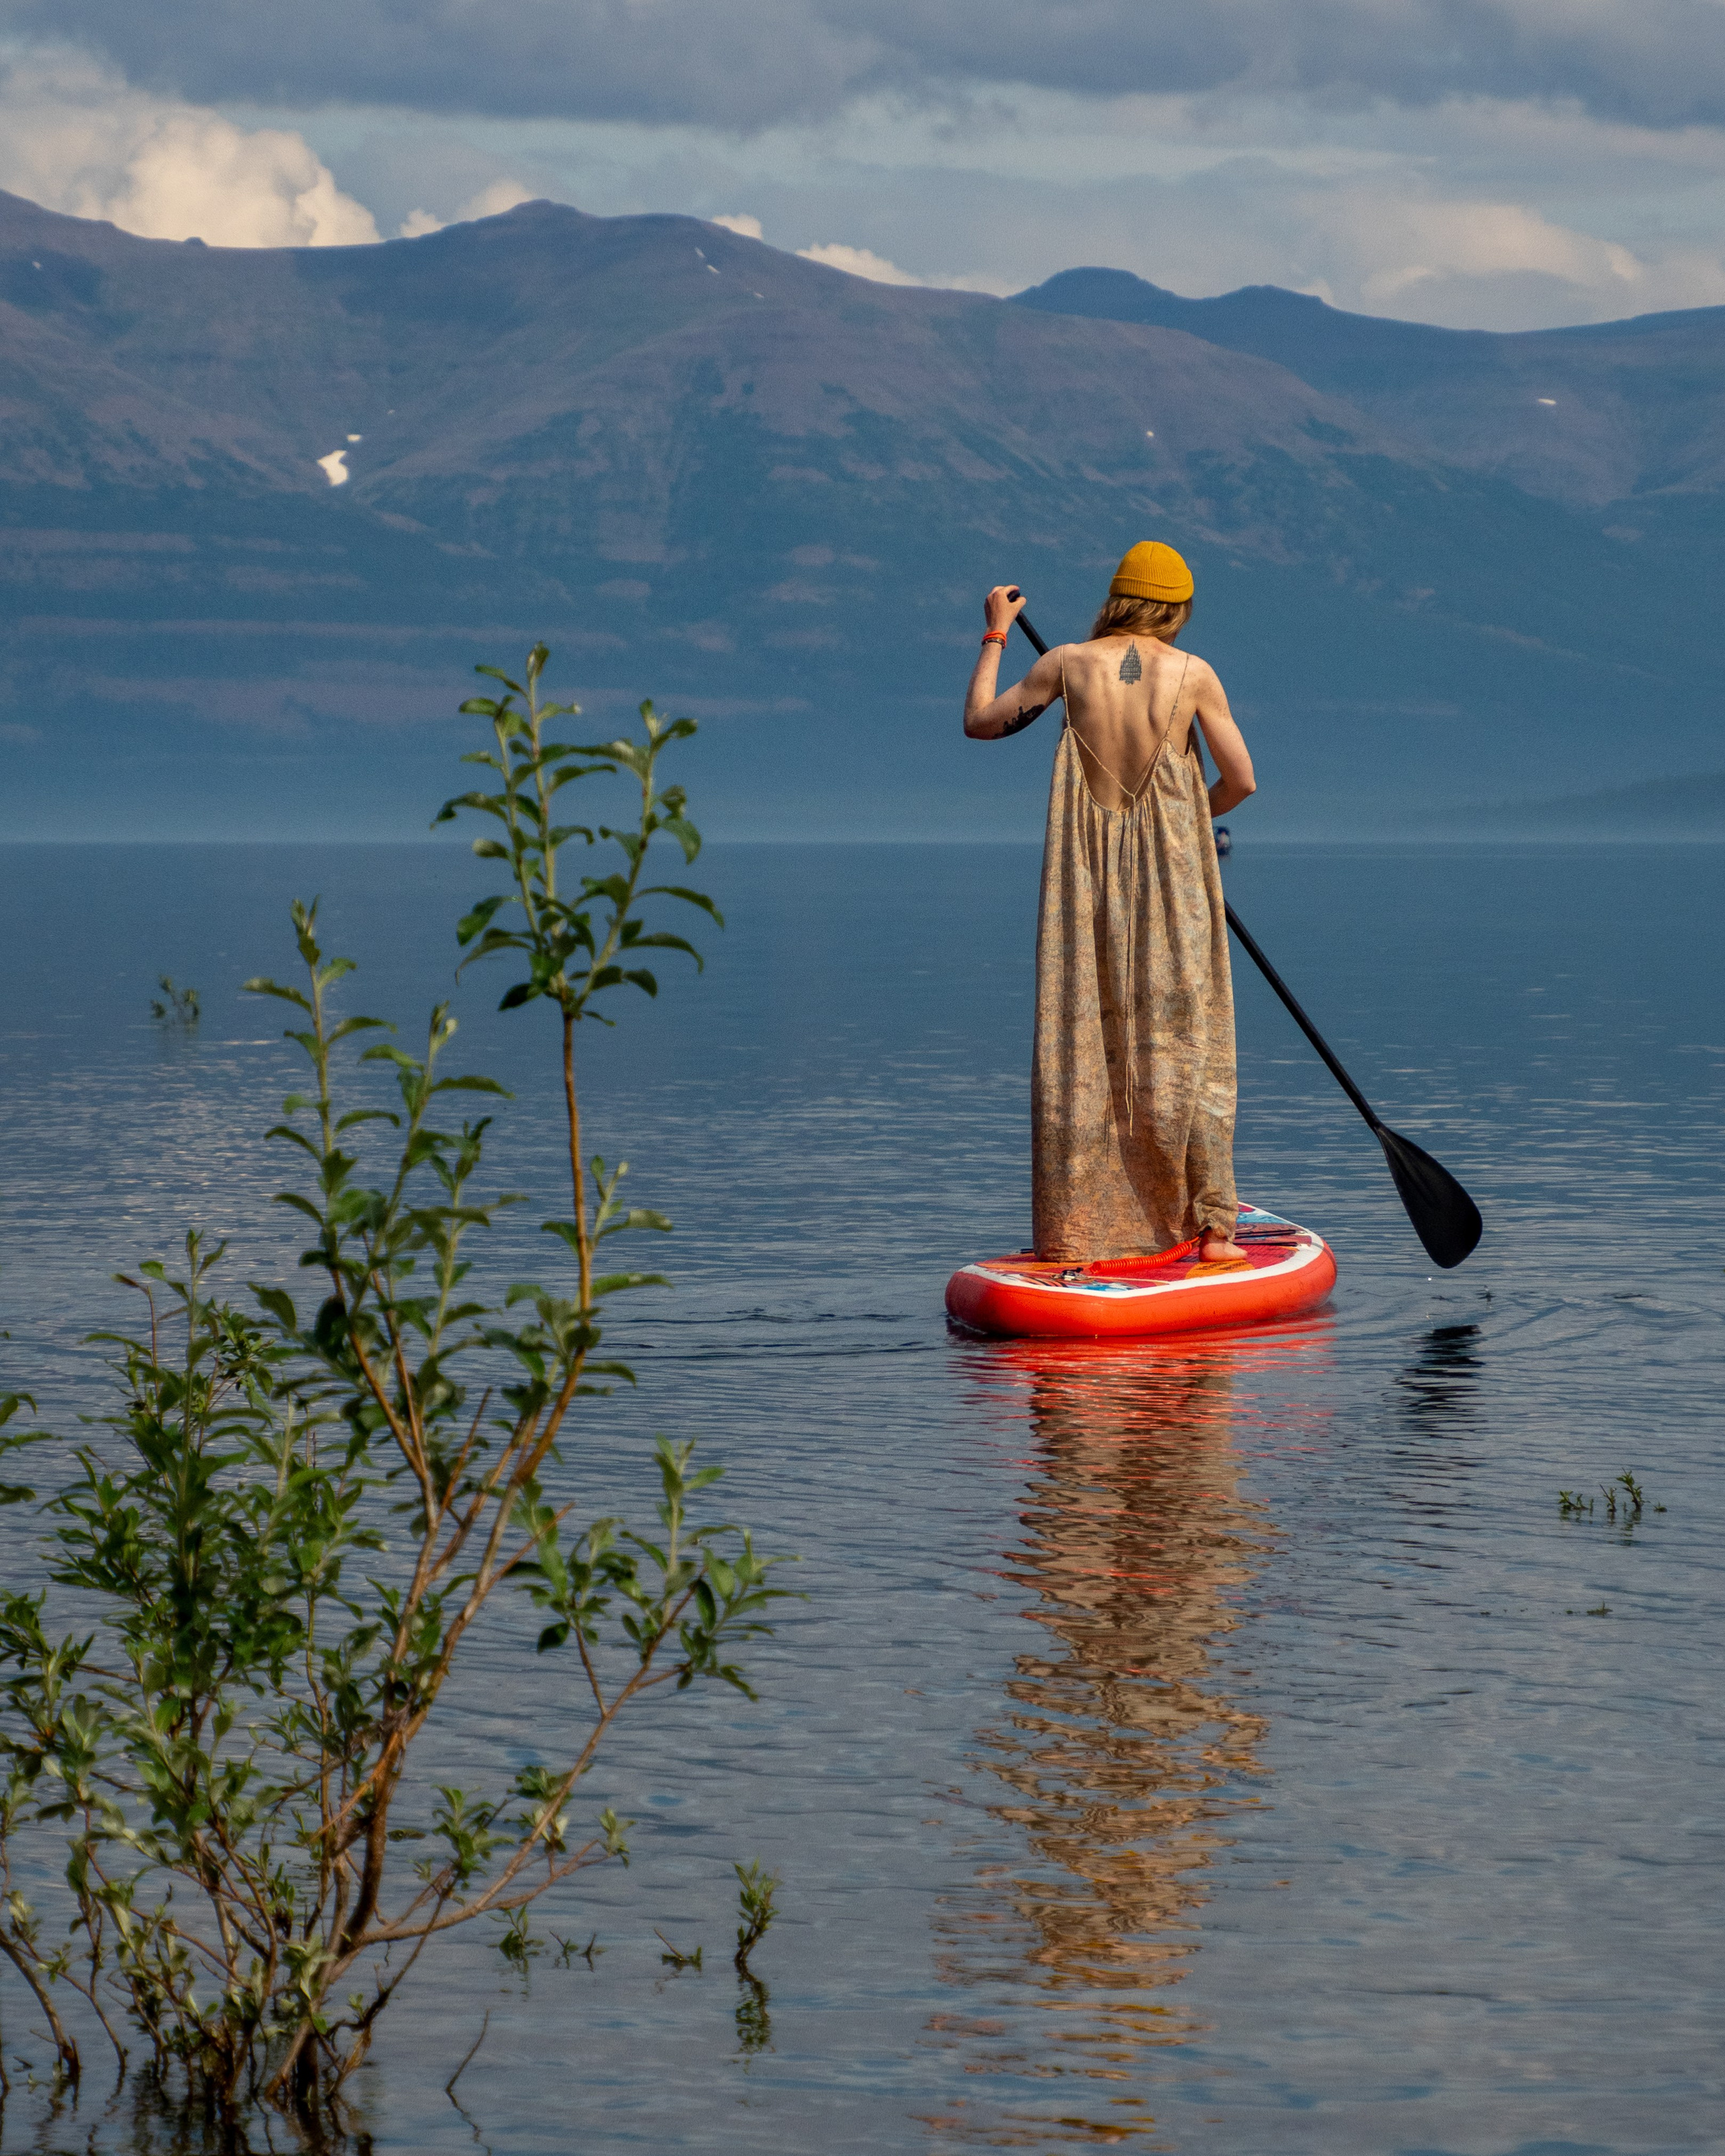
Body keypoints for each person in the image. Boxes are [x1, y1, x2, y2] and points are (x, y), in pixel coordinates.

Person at [962, 541, 1257, 1267]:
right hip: (1176, 883)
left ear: (1116, 599)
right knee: (1189, 1039)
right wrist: (1190, 827)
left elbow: (980, 721)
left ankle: (1079, 1227)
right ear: (1176, 609)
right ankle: (1212, 1232)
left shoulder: (1065, 663)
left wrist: (996, 631)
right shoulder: (1193, 675)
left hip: (1083, 879)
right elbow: (1241, 780)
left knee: (1084, 1038)